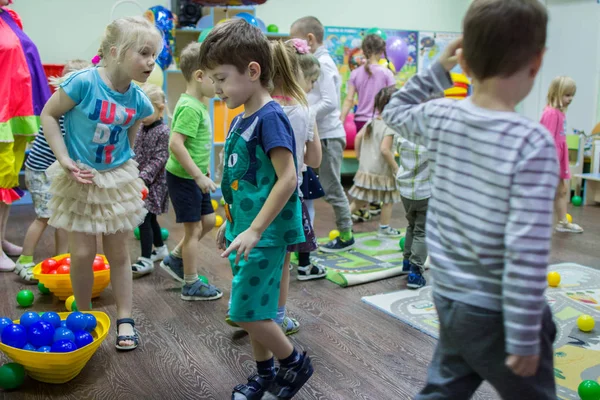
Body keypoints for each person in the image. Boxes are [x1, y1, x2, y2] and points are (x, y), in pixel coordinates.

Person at [382, 0, 558, 398]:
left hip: (448, 296)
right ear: (537, 60)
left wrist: (438, 69)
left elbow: (394, 111)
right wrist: (526, 332)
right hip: (498, 310)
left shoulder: (442, 117)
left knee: (444, 387)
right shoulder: (531, 143)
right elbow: (525, 248)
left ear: (465, 60)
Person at [200, 19, 314, 399]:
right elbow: (240, 180)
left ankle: (294, 362)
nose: (217, 89)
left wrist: (255, 229)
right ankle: (264, 375)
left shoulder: (271, 117)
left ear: (253, 71)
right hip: (241, 232)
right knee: (256, 311)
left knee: (245, 311)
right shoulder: (239, 118)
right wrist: (231, 222)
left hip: (265, 235)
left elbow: (287, 179)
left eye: (221, 79)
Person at [41, 16, 162, 351]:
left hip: (115, 179)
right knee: (81, 252)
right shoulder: (82, 83)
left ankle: (125, 318)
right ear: (116, 52)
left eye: (155, 54)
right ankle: (83, 315)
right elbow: (48, 115)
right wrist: (65, 160)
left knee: (118, 251)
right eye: (144, 53)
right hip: (79, 175)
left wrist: (127, 171)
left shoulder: (139, 99)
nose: (151, 62)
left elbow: (131, 135)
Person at [14, 60, 91, 282]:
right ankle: (25, 260)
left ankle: (62, 259)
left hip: (54, 172)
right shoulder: (63, 111)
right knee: (44, 217)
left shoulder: (71, 109)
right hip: (40, 172)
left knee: (63, 218)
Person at [159, 42, 222, 301]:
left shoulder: (198, 103)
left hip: (196, 177)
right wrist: (198, 175)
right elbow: (175, 143)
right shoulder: (189, 107)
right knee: (193, 230)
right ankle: (191, 283)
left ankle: (174, 259)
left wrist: (203, 172)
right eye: (216, 78)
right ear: (199, 76)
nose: (220, 85)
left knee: (207, 221)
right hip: (185, 178)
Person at [290, 16, 354, 253]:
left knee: (331, 186)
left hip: (327, 135)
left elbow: (329, 102)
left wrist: (304, 113)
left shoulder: (324, 63)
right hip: (318, 133)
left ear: (310, 39)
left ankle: (346, 234)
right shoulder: (314, 61)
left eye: (294, 39)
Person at [0, 1, 51, 271]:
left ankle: (1, 238)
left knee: (6, 180)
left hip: (17, 112)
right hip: (2, 113)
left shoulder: (9, 16)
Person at [348, 86, 401, 237]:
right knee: (388, 200)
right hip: (383, 172)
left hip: (366, 170)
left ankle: (343, 223)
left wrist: (359, 157)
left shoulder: (372, 122)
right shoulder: (390, 126)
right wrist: (396, 168)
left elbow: (358, 137)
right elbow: (385, 150)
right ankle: (384, 228)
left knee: (358, 201)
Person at [131, 83, 170, 276]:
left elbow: (160, 158)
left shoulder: (163, 132)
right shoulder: (140, 128)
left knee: (143, 218)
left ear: (160, 108)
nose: (141, 115)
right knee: (150, 217)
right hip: (139, 181)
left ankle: (145, 258)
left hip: (154, 184)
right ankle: (160, 249)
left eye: (146, 110)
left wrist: (143, 178)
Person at [540, 76, 583, 233]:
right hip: (552, 158)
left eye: (572, 95)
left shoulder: (559, 113)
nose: (570, 99)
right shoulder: (551, 113)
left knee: (563, 190)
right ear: (556, 93)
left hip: (559, 157)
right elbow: (547, 139)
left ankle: (562, 222)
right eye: (567, 95)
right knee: (550, 191)